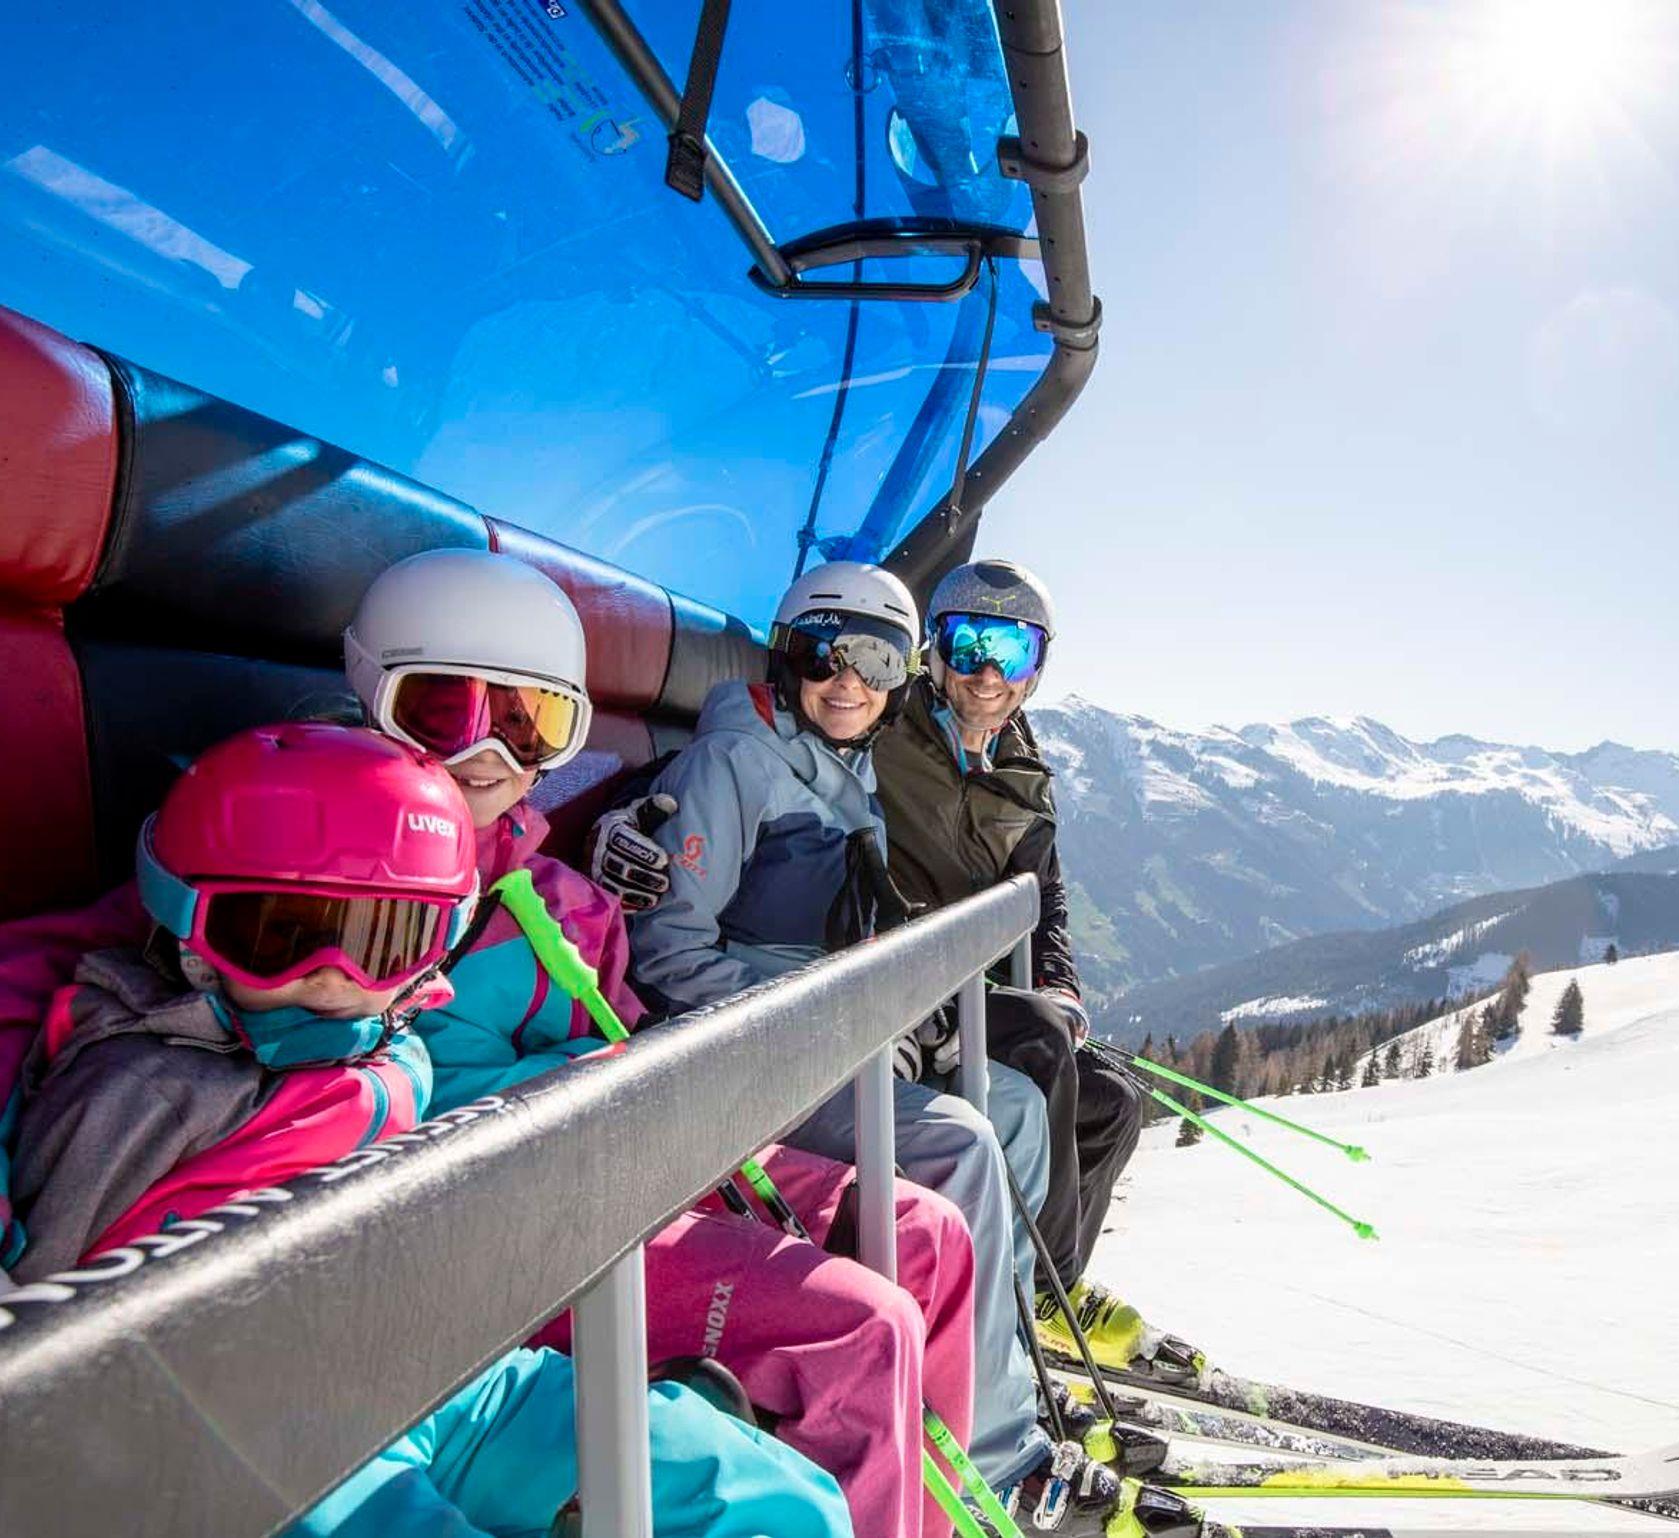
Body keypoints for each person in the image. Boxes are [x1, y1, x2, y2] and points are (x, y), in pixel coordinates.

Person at [3, 722, 850, 1538]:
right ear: (187, 929)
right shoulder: (148, 1087)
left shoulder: (397, 1040)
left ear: (436, 947)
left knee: (778, 1500)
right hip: (253, 1413)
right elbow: (59, 1297)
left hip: (438, 1374)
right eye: (277, 936)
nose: (332, 979)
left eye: (383, 941)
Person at [342, 548, 976, 1538]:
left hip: (623, 1156)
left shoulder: (563, 897)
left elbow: (632, 1012)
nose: (489, 750)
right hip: (515, 1211)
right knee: (862, 1321)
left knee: (928, 1233)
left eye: (529, 723)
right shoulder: (336, 874)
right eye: (444, 711)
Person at [621, 562, 1130, 1530]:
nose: (850, 680)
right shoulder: (734, 763)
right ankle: (995, 1455)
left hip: (831, 1034)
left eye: (876, 660)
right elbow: (667, 952)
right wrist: (828, 1017)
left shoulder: (841, 759)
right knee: (965, 1141)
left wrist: (891, 1007)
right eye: (827, 654)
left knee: (1019, 1107)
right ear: (788, 654)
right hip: (751, 1061)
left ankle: (999, 1369)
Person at [869, 559, 1149, 1367]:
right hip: (906, 989)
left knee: (1114, 1101)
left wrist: (1059, 983)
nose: (987, 673)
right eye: (968, 644)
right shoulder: (888, 729)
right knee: (1038, 1042)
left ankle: (1052, 1286)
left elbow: (1043, 899)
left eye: (1011, 650)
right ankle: (1038, 1291)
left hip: (972, 986)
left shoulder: (1023, 774)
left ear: (1036, 666)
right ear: (933, 649)